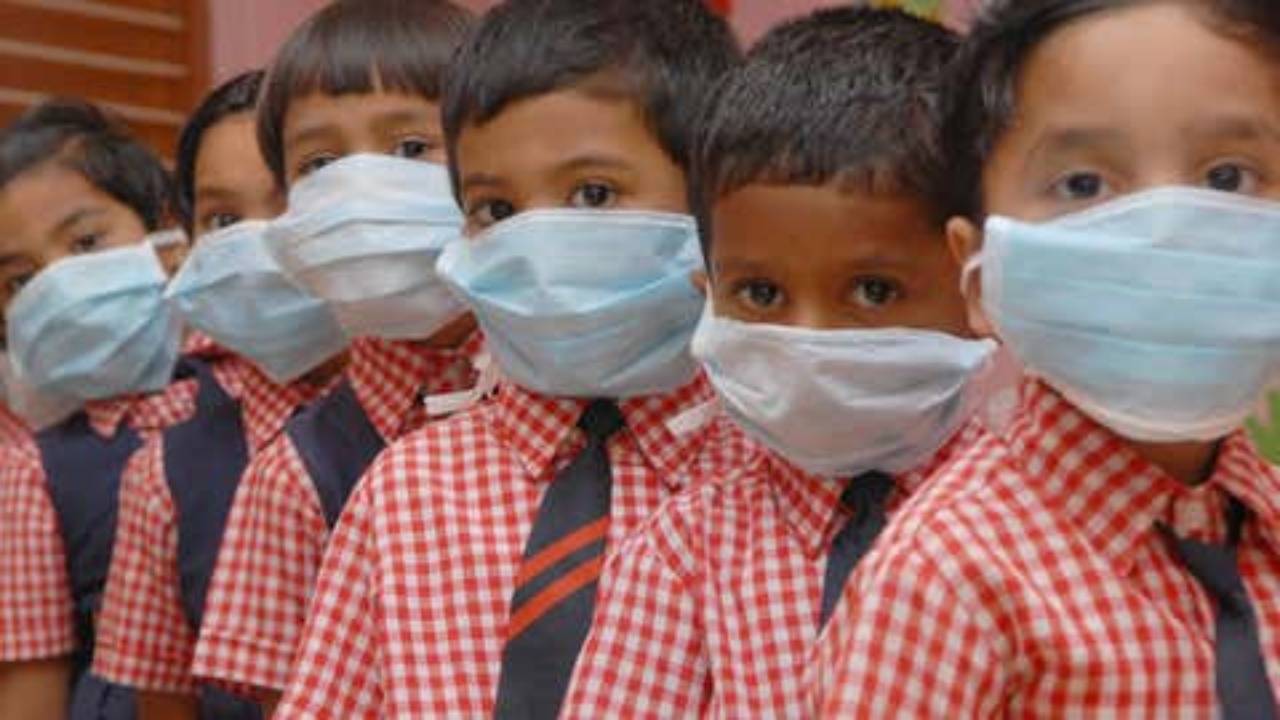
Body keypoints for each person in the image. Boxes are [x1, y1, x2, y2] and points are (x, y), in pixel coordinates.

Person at [275, 1, 752, 717]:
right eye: (496, 210)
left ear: (713, 197)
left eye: (593, 194)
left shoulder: (782, 478)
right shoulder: (404, 493)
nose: (535, 246)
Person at [815, 0, 1280, 716]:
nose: (1165, 235)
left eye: (1228, 178)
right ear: (978, 271)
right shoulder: (945, 576)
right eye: (1083, 185)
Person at [560, 8, 1002, 718]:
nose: (809, 340)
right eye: (761, 294)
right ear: (707, 292)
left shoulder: (1041, 531)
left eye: (873, 291)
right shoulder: (685, 552)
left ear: (976, 280)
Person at [191, 2, 484, 715]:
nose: (361, 190)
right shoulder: (294, 476)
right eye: (320, 164)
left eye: (410, 147)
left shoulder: (592, 407)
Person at [90, 70, 337, 720]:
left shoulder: (464, 410)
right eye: (223, 220)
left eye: (289, 204)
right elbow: (164, 702)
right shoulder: (166, 477)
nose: (257, 242)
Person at [0, 99, 186, 720]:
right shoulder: (30, 471)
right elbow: (32, 694)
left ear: (164, 231)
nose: (58, 285)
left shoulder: (253, 394)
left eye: (85, 243)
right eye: (20, 280)